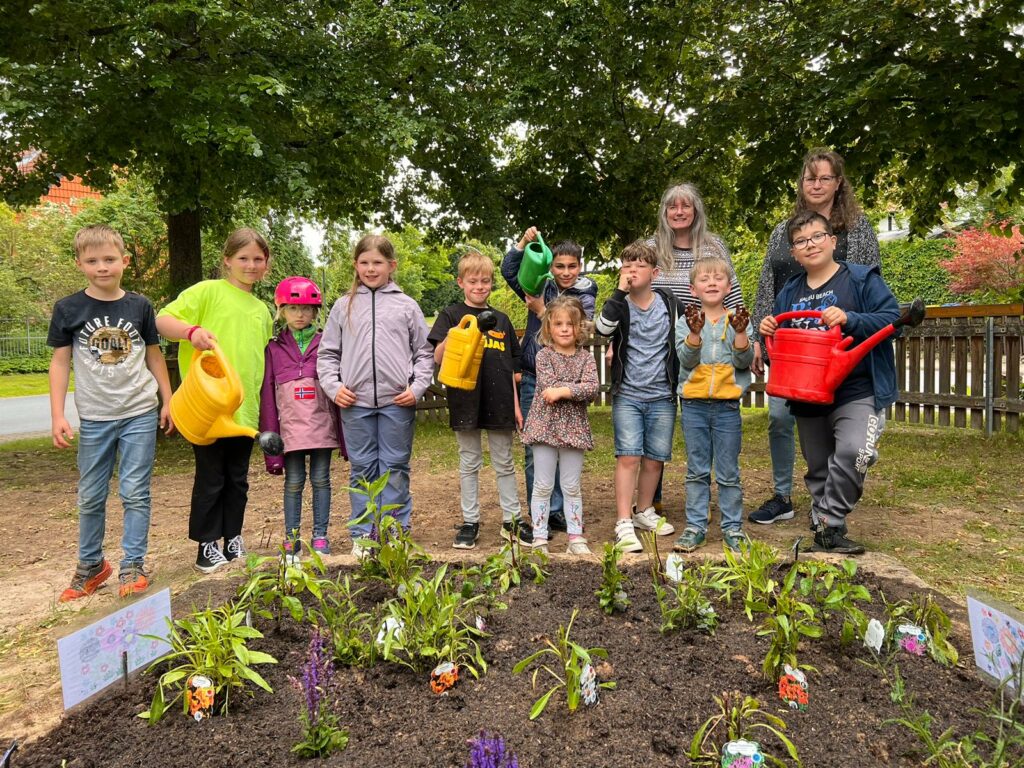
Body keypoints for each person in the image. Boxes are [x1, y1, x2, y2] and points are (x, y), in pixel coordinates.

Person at [750, 149, 881, 526]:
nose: (817, 185)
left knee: (845, 431)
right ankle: (782, 495)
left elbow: (868, 284)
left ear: (839, 183)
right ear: (801, 184)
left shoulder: (856, 228)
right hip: (790, 348)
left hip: (837, 349)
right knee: (779, 417)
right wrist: (760, 335)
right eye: (810, 178)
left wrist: (855, 326)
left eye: (825, 178)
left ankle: (827, 505)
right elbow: (766, 287)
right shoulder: (783, 230)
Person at [758, 211, 899, 554]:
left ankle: (829, 519)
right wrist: (768, 333)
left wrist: (851, 318)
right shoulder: (789, 291)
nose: (811, 245)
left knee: (856, 452)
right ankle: (827, 530)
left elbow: (892, 319)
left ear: (833, 241)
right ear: (793, 252)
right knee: (819, 466)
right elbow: (783, 344)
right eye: (801, 241)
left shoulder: (861, 279)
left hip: (855, 389)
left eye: (817, 237)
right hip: (808, 393)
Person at [48, 224, 174, 600]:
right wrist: (57, 414)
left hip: (138, 411)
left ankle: (132, 564)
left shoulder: (139, 306)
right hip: (95, 417)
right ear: (79, 264)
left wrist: (169, 400)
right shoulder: (68, 309)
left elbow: (154, 355)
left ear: (124, 261)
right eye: (92, 261)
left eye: (109, 259)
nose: (101, 267)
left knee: (135, 491)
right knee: (90, 494)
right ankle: (91, 565)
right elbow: (59, 363)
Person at [157, 228, 274, 573]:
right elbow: (163, 319)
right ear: (227, 261)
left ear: (266, 264)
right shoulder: (208, 292)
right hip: (206, 407)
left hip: (243, 411)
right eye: (243, 258)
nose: (250, 265)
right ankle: (207, 545)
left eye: (257, 259)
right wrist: (191, 332)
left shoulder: (262, 310)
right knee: (211, 477)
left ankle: (233, 537)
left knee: (237, 478)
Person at [317, 234, 434, 559]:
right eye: (365, 262)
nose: (371, 268)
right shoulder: (343, 306)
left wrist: (417, 388)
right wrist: (333, 386)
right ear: (356, 265)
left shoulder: (407, 306)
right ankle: (364, 536)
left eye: (377, 263)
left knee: (395, 467)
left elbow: (425, 353)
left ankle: (395, 531)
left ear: (391, 266)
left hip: (397, 403)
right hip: (355, 405)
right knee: (363, 469)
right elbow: (327, 355)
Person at [646, 183, 747, 513]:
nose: (679, 211)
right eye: (672, 206)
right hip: (657, 347)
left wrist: (748, 337)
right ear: (664, 212)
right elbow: (635, 289)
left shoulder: (713, 246)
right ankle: (652, 497)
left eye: (685, 206)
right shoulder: (651, 247)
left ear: (696, 210)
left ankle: (717, 502)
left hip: (705, 344)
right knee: (658, 417)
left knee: (697, 408)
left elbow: (731, 294)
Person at [429, 250, 532, 550]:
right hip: (466, 399)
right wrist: (456, 332)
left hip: (500, 400)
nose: (479, 286)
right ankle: (470, 521)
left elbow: (514, 370)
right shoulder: (451, 314)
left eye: (485, 281)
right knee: (469, 462)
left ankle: (511, 520)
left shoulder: (501, 319)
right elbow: (437, 356)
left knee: (504, 462)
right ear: (461, 282)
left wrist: (515, 407)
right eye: (473, 281)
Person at [501, 228, 597, 535]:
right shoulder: (538, 283)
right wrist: (524, 243)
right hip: (534, 375)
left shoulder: (586, 292)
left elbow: (582, 327)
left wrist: (542, 311)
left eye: (572, 266)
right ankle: (543, 512)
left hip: (568, 380)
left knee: (564, 443)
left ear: (580, 266)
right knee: (538, 448)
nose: (566, 272)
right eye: (559, 266)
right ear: (550, 266)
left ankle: (559, 511)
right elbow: (508, 270)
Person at [595, 241, 684, 553]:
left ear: (655, 272)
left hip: (662, 394)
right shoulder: (619, 305)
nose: (631, 271)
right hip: (629, 394)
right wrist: (618, 293)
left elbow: (684, 335)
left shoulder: (669, 302)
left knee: (654, 459)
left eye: (639, 266)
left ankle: (644, 511)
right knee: (628, 456)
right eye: (626, 266)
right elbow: (602, 329)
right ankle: (623, 520)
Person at [259, 277, 346, 562]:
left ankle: (320, 534)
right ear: (281, 310)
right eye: (293, 308)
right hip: (290, 430)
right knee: (294, 481)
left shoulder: (326, 344)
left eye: (307, 309)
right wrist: (269, 433)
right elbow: (268, 396)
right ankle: (291, 537)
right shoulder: (273, 348)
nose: (300, 315)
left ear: (316, 312)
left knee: (321, 479)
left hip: (321, 426)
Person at [672, 256, 755, 553]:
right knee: (696, 470)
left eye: (717, 278)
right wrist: (695, 334)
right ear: (694, 289)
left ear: (728, 286)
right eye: (704, 279)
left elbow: (744, 361)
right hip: (693, 405)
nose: (711, 283)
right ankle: (695, 526)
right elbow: (686, 359)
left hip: (727, 408)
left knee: (728, 471)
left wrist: (742, 333)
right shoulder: (685, 322)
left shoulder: (739, 320)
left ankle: (733, 528)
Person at [520, 296, 599, 556]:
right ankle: (540, 536)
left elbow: (591, 388)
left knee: (571, 485)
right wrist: (571, 390)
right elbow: (546, 387)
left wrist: (564, 390)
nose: (565, 329)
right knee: (543, 485)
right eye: (559, 324)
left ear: (580, 328)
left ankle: (575, 536)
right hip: (545, 426)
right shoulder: (544, 356)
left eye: (571, 324)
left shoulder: (586, 359)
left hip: (574, 428)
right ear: (549, 328)